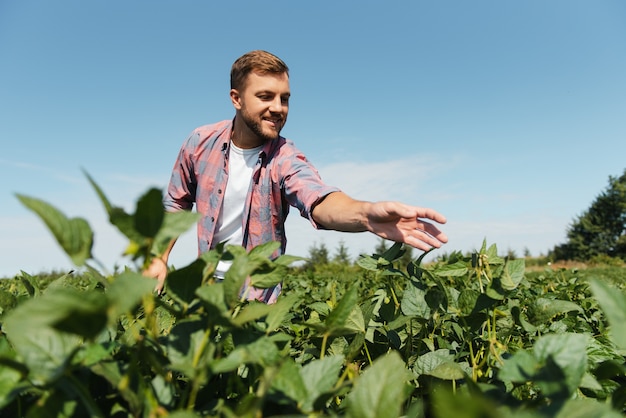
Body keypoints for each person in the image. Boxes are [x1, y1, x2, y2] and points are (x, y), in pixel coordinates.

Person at [144, 50, 448, 302]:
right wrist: (159, 256)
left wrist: (365, 215)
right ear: (236, 99)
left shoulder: (284, 157)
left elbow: (317, 198)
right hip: (206, 289)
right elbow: (175, 203)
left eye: (284, 98)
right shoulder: (200, 142)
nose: (278, 108)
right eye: (265, 96)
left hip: (258, 300)